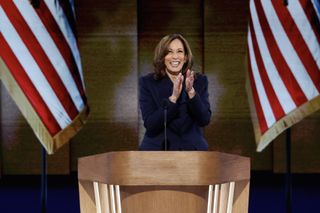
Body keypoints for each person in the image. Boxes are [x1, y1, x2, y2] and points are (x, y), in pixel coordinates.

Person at [139, 33, 211, 151]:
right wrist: (172, 99)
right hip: (157, 151)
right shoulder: (148, 83)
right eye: (169, 52)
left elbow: (204, 119)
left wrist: (191, 92)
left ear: (186, 57)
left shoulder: (199, 82)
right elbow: (151, 125)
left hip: (193, 152)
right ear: (162, 57)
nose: (175, 56)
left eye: (179, 51)